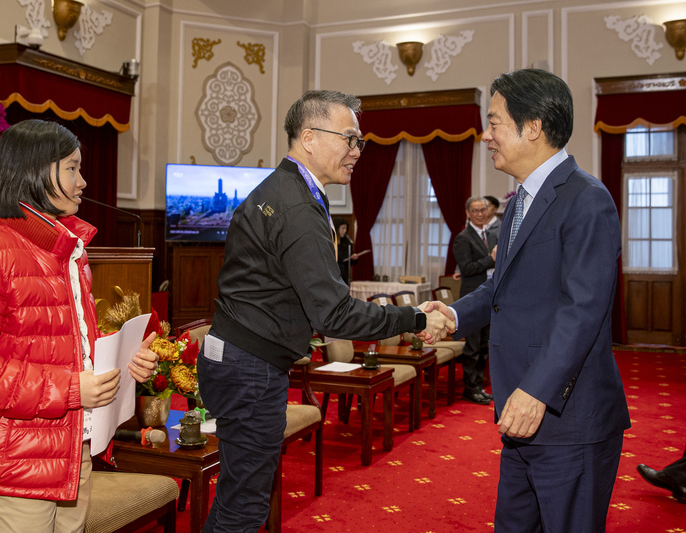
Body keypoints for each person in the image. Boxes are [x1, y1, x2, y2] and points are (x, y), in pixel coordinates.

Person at [197, 90, 454, 532]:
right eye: (349, 139)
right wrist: (414, 318)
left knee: (238, 496)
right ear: (309, 137)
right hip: (251, 368)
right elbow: (334, 315)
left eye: (359, 142)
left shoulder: (282, 188)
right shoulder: (298, 205)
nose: (357, 151)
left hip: (238, 358)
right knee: (245, 506)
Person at [425, 69, 630, 532]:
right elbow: (502, 289)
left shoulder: (586, 199)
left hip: (566, 417)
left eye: (494, 122)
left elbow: (583, 310)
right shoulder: (520, 202)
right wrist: (453, 313)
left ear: (532, 127)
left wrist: (537, 390)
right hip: (519, 414)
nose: (486, 135)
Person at [0, 119, 160, 533]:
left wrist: (127, 361)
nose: (83, 181)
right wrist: (72, 388)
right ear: (36, 172)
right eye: (72, 168)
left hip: (71, 446)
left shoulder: (68, 251)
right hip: (14, 459)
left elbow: (63, 342)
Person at [453, 196, 497, 405]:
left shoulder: (489, 234)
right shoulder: (463, 238)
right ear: (468, 213)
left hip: (489, 296)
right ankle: (470, 388)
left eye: (483, 210)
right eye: (475, 211)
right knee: (472, 346)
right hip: (472, 297)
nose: (480, 214)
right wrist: (491, 259)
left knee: (483, 344)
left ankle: (478, 385)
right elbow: (467, 268)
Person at [334, 217, 359, 284]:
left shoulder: (347, 241)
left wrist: (354, 258)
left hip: (345, 274)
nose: (345, 231)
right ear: (336, 228)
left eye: (346, 228)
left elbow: (350, 258)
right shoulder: (330, 241)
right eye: (343, 228)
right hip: (334, 273)